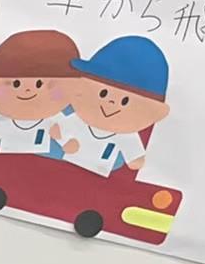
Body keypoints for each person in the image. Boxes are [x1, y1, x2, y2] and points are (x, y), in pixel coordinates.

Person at [0, 29, 82, 159]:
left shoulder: (52, 120)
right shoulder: (1, 119)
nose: (28, 90)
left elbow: (70, 144)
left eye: (39, 84)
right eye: (16, 84)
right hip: (7, 159)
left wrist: (62, 139)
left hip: (41, 160)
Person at [57, 35, 172, 176]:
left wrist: (134, 158)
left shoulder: (126, 135)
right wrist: (65, 142)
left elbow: (135, 158)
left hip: (99, 172)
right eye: (103, 93)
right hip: (66, 165)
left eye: (125, 101)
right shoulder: (77, 120)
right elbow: (56, 129)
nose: (110, 103)